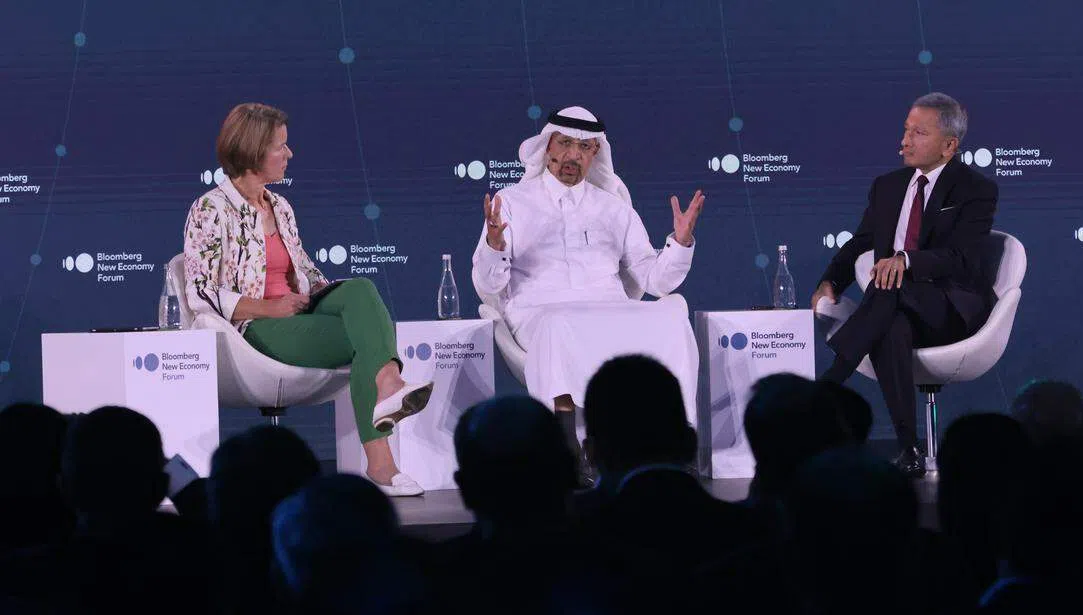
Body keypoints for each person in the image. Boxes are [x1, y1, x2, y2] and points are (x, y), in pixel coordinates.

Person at [183, 102, 431, 496]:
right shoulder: (210, 209)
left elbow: (305, 270)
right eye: (280, 146)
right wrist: (270, 308)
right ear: (253, 151)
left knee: (360, 290)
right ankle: (382, 459)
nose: (290, 153)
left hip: (299, 309)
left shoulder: (280, 206)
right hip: (255, 327)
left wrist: (322, 292)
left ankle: (388, 384)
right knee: (367, 344)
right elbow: (200, 290)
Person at [471, 105, 705, 482]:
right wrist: (495, 245)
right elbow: (489, 285)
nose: (572, 156)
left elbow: (656, 280)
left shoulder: (614, 208)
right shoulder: (512, 202)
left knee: (674, 311)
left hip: (608, 311)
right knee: (558, 322)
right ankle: (568, 451)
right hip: (540, 311)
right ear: (547, 147)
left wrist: (680, 242)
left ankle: (678, 444)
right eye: (564, 143)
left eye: (584, 147)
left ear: (596, 153)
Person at [812, 92, 999, 476]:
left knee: (889, 288)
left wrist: (907, 260)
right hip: (893, 308)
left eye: (918, 133)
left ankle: (828, 385)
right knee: (891, 324)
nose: (904, 141)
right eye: (905, 130)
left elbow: (963, 258)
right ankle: (908, 448)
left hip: (949, 309)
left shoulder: (974, 190)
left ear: (949, 146)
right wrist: (831, 281)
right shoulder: (888, 186)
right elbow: (861, 242)